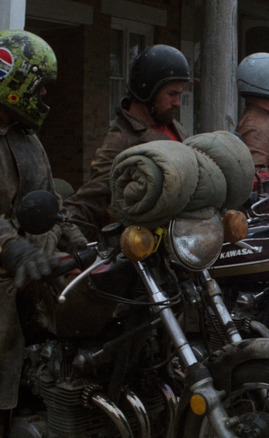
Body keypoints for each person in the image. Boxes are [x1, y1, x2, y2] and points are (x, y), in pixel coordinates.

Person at [0, 30, 86, 433]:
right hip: (6, 271)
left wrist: (77, 239)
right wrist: (11, 247)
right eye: (41, 87)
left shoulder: (28, 137)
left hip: (37, 267)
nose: (46, 98)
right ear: (17, 83)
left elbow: (52, 200)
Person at [64, 44, 189, 236]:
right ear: (147, 90)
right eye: (172, 94)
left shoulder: (174, 126)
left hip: (188, 242)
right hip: (147, 250)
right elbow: (89, 200)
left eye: (179, 95)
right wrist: (68, 236)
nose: (177, 103)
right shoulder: (121, 140)